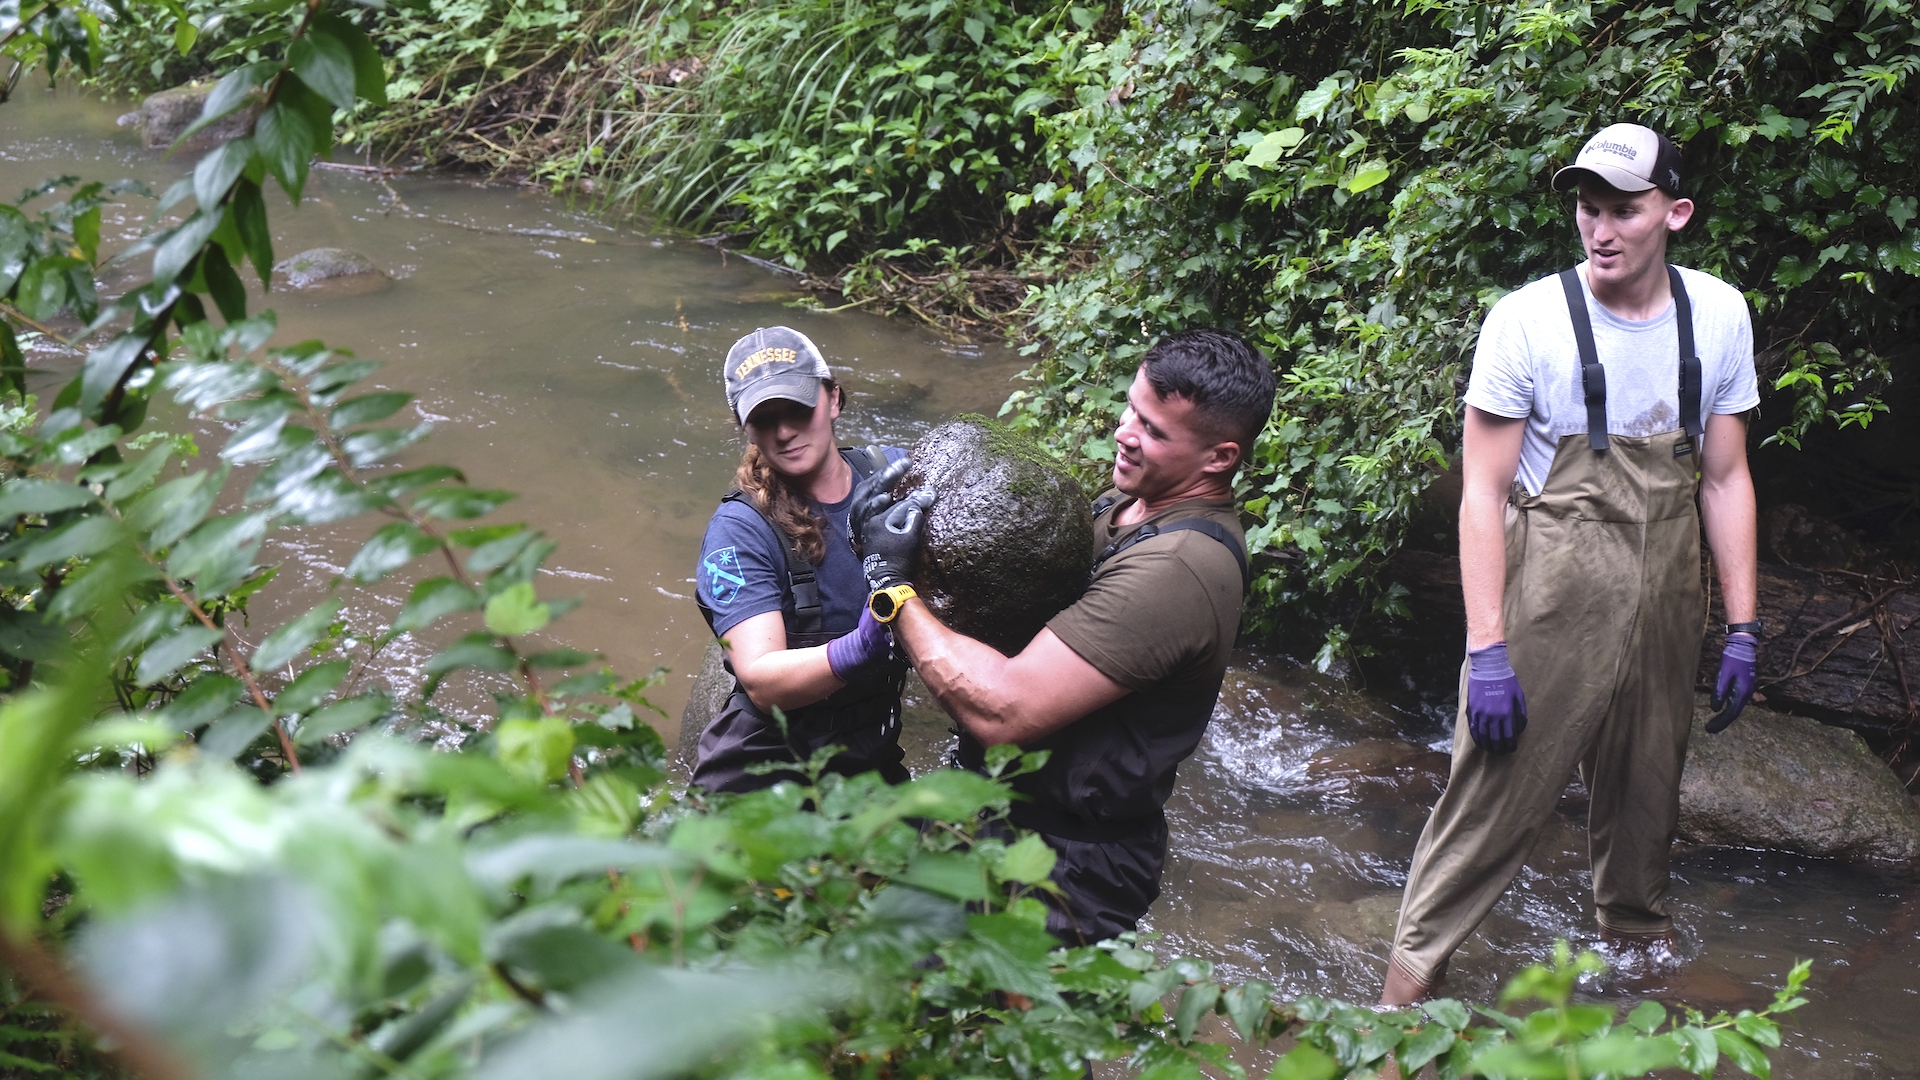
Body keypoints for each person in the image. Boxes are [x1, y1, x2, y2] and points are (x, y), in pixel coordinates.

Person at [1378, 123, 1761, 1004]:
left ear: (1676, 213)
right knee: (1488, 803)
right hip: (1550, 592)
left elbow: (1727, 476)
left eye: (1624, 210)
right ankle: (1398, 1010)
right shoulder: (1527, 320)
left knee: (1646, 799)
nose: (1602, 229)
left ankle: (1638, 989)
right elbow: (1482, 495)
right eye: (1589, 209)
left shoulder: (1721, 313)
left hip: (1669, 595)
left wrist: (1743, 625)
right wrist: (1488, 650)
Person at [854, 329, 1276, 943]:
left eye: (1155, 430)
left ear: (1220, 458)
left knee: (995, 1035)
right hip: (994, 816)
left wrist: (891, 585)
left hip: (1063, 867)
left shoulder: (1179, 567)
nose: (1125, 432)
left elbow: (1004, 709)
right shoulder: (1122, 507)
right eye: (1133, 407)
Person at [691, 326, 912, 793]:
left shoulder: (896, 475)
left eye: (797, 409)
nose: (785, 431)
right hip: (765, 775)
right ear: (743, 426)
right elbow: (762, 678)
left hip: (870, 759)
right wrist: (862, 646)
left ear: (833, 399)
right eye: (765, 418)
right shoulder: (739, 531)